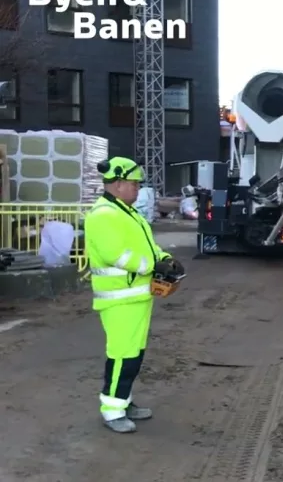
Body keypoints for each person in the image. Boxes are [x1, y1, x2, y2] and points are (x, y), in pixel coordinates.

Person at [84, 156, 184, 433]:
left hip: (135, 297)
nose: (137, 189)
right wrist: (154, 266)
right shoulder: (104, 214)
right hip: (119, 300)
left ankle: (123, 402)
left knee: (133, 355)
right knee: (121, 356)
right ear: (117, 184)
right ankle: (112, 411)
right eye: (133, 184)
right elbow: (114, 254)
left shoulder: (127, 212)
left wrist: (166, 258)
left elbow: (148, 247)